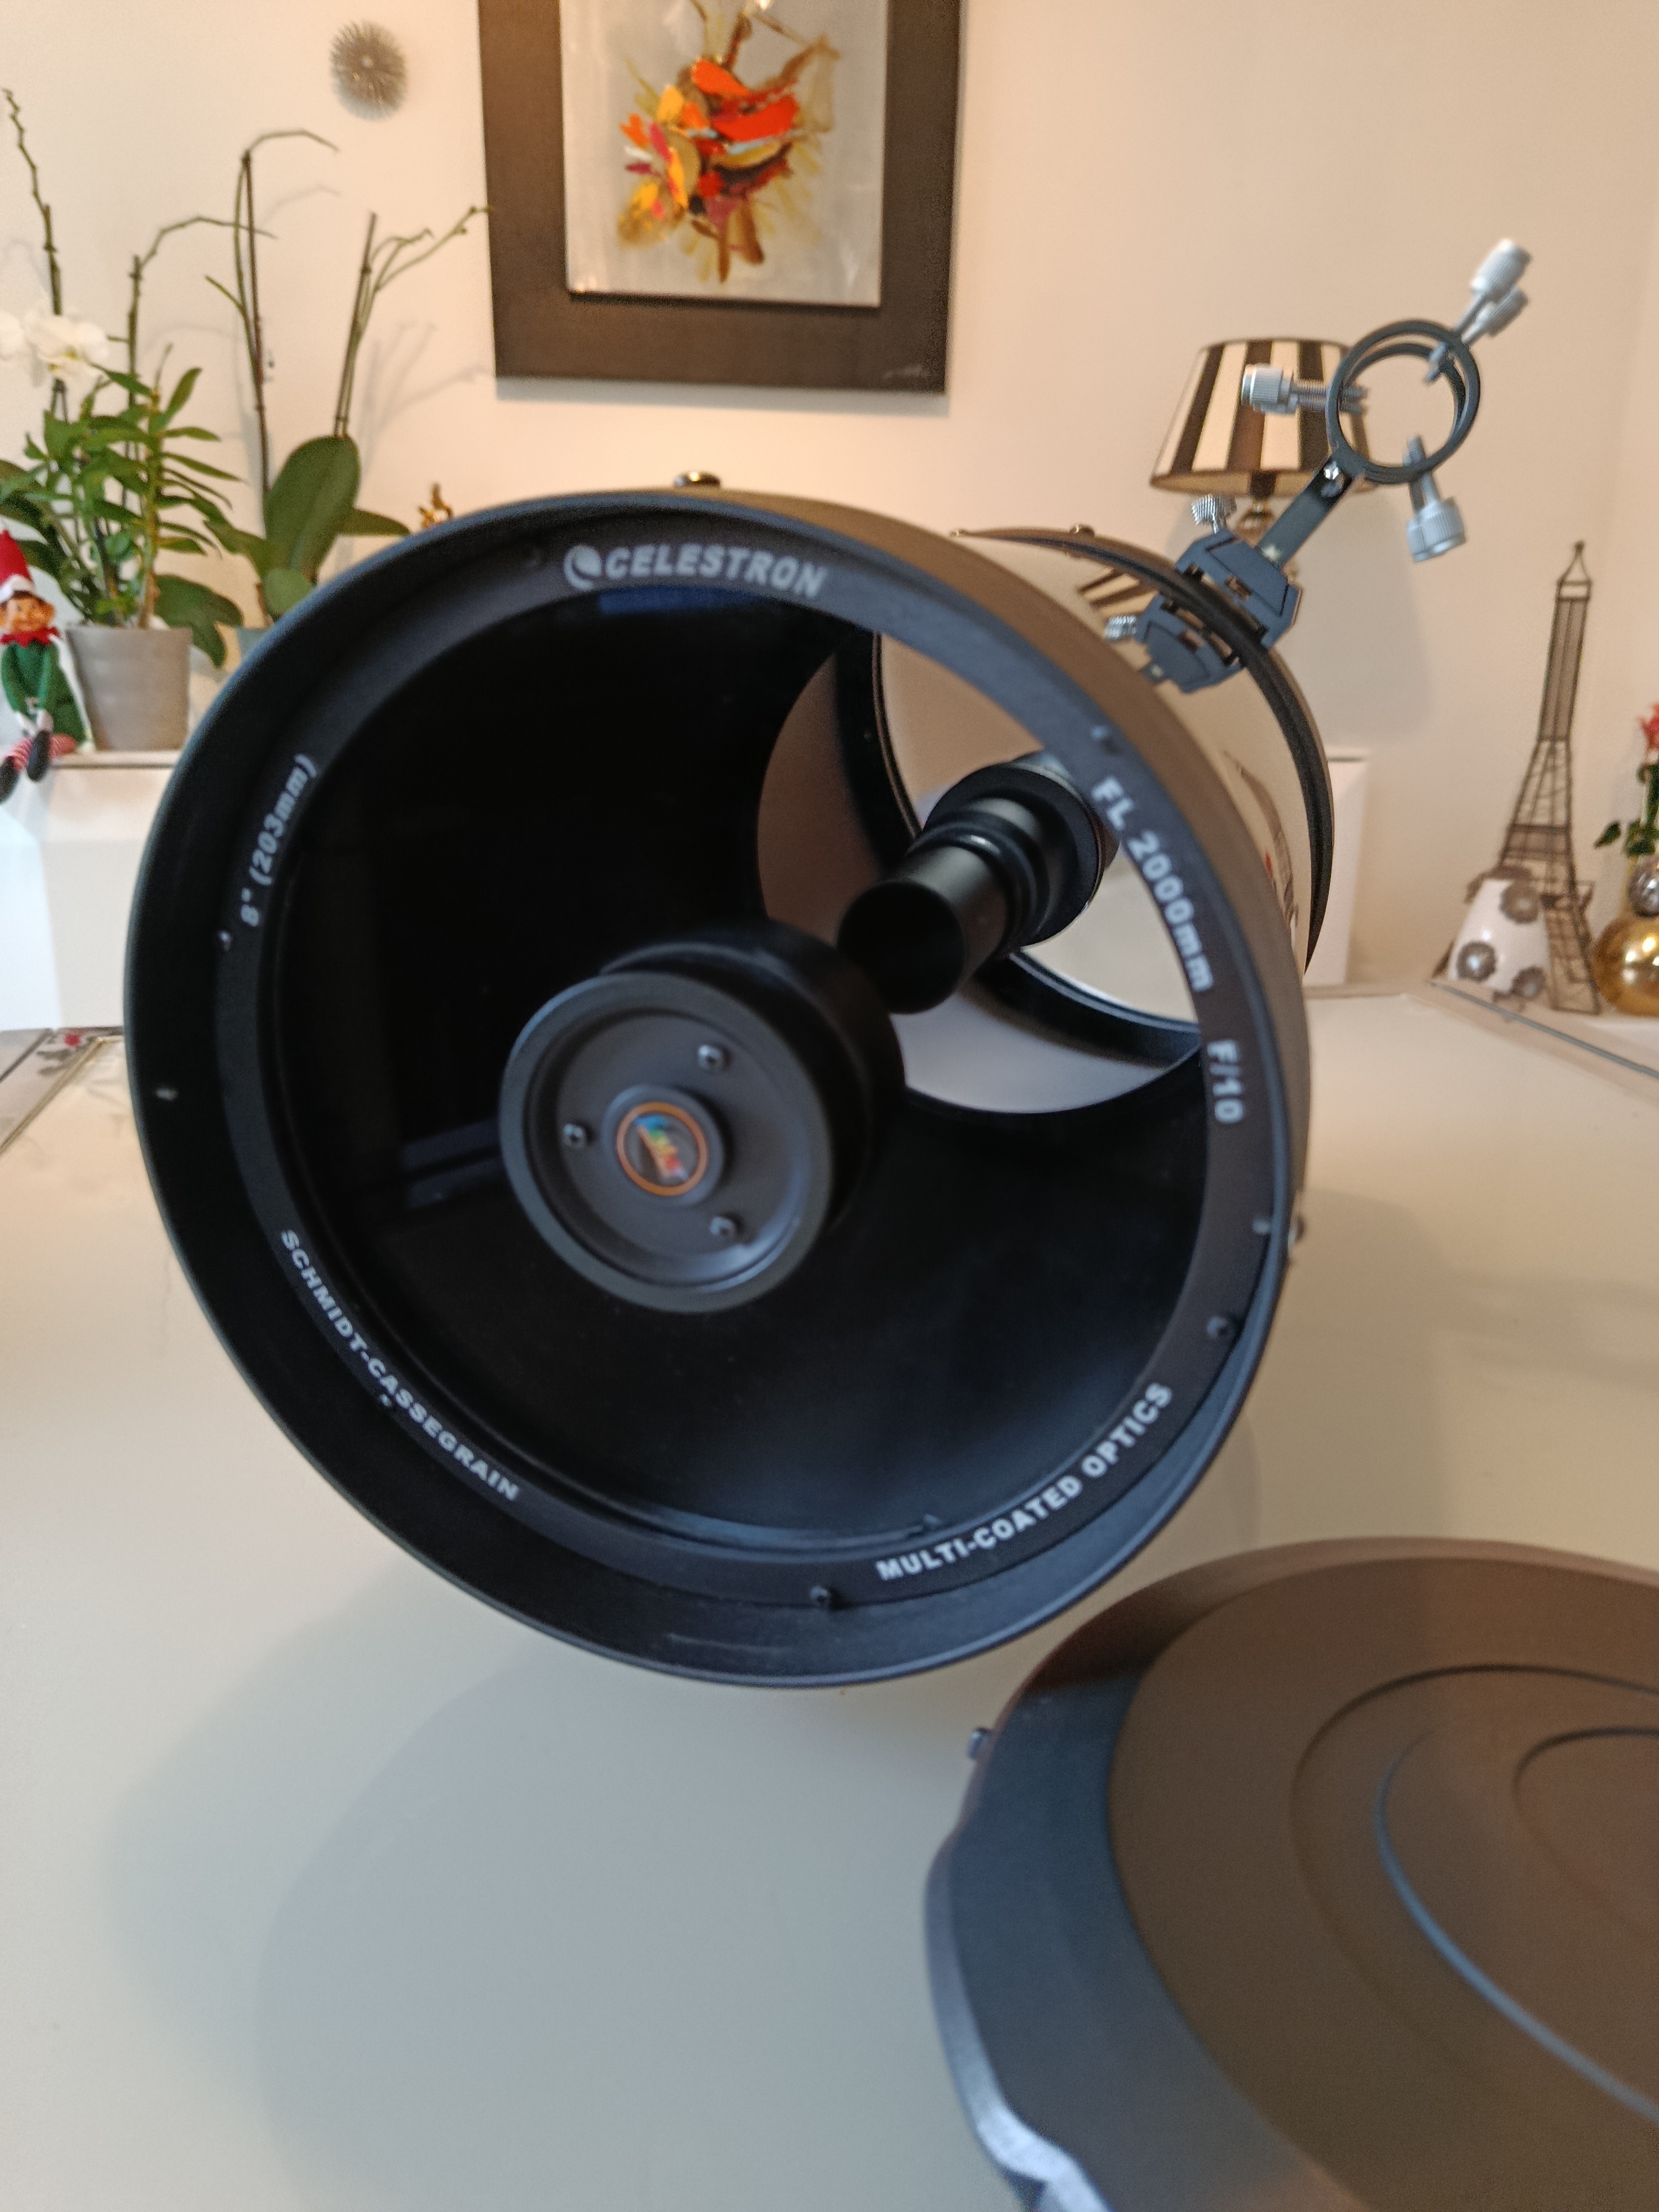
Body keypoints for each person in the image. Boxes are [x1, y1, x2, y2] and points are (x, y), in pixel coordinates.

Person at [0, 528, 87, 803]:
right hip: (33, 724)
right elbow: (10, 683)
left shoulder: (48, 649)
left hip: (62, 721)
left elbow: (50, 678)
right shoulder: (10, 655)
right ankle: (11, 767)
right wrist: (20, 713)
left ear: (42, 609)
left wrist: (45, 712)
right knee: (24, 746)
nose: (26, 615)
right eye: (18, 610)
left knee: (54, 743)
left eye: (31, 608)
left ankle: (40, 754)